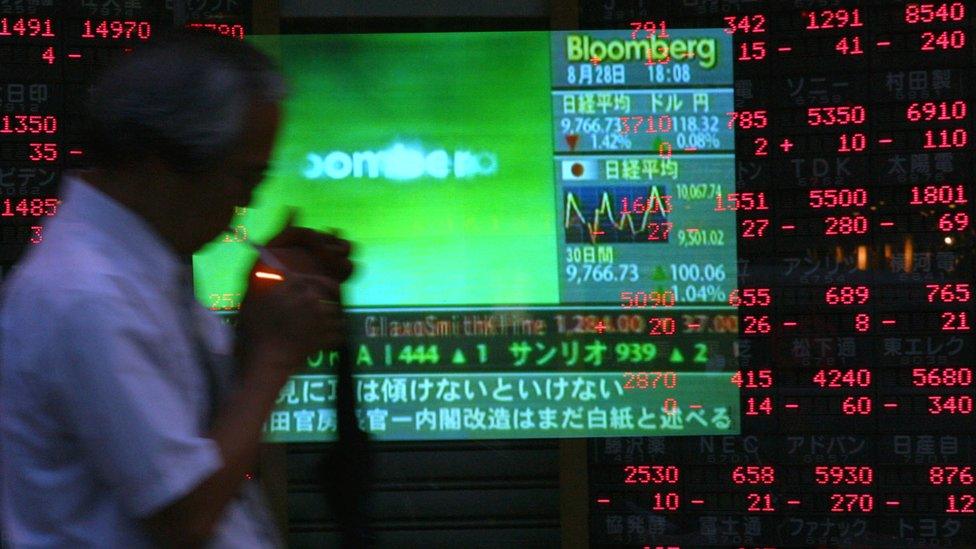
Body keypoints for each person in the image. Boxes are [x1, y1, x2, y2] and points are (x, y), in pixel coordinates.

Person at [0, 32, 353, 547]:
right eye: (244, 182)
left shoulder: (140, 269)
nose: (245, 211)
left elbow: (206, 436)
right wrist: (275, 355)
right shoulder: (89, 296)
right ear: (160, 164)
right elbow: (182, 514)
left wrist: (260, 315)